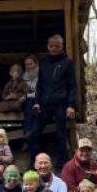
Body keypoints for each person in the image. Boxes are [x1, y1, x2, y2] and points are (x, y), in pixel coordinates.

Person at [28, 34, 78, 168]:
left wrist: (71, 105)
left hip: (61, 104)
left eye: (57, 46)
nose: (54, 48)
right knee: (34, 132)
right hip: (44, 104)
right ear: (48, 46)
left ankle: (60, 164)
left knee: (60, 135)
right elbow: (40, 85)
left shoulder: (67, 63)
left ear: (62, 47)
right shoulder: (44, 63)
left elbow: (73, 86)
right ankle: (34, 162)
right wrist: (37, 102)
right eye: (51, 46)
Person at [22, 54, 40, 140]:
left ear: (36, 63)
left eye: (30, 64)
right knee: (29, 104)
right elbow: (24, 90)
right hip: (29, 100)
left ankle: (28, 133)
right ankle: (28, 133)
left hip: (41, 98)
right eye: (26, 64)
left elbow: (42, 90)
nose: (28, 66)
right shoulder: (24, 76)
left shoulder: (42, 74)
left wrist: (27, 95)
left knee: (30, 102)